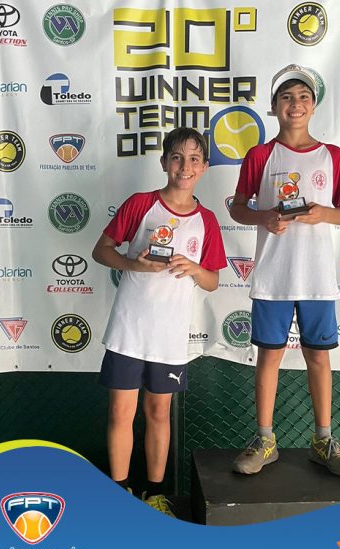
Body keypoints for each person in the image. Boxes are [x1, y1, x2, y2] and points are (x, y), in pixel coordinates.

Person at [228, 64, 340, 477]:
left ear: (314, 105)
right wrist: (264, 217)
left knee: (318, 357)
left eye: (303, 96)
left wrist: (324, 213)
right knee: (268, 356)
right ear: (274, 107)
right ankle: (265, 439)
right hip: (273, 276)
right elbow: (237, 207)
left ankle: (323, 440)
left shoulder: (332, 155)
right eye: (286, 97)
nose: (296, 104)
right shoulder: (260, 155)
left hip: (317, 279)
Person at [92, 127, 226, 516]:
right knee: (120, 413)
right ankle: (119, 493)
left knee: (158, 414)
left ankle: (155, 495)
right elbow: (101, 251)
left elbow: (213, 281)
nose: (185, 166)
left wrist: (194, 267)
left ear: (204, 167)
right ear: (165, 162)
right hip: (129, 329)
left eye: (194, 159)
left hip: (169, 337)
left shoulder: (207, 221)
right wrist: (132, 264)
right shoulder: (141, 204)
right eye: (177, 158)